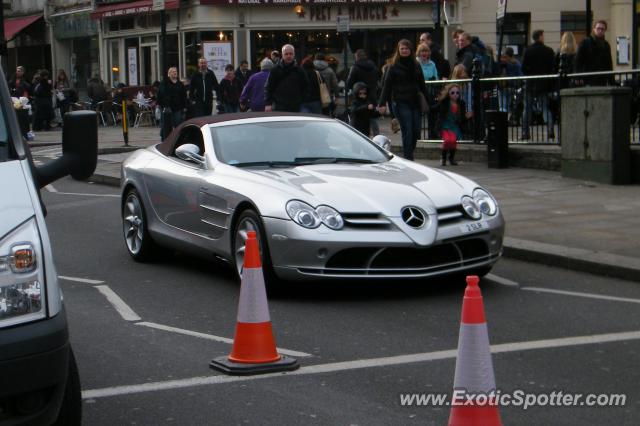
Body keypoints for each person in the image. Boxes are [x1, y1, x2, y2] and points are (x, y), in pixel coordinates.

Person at [377, 39, 430, 161]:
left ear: (411, 50)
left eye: (407, 48)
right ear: (398, 50)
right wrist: (382, 103)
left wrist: (430, 101)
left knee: (416, 131)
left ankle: (408, 153)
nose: (405, 51)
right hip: (400, 102)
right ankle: (409, 158)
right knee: (408, 130)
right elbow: (386, 86)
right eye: (402, 49)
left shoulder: (416, 65)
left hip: (415, 101)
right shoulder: (393, 66)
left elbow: (422, 85)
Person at [521, 29, 556, 140]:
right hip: (544, 82)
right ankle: (550, 129)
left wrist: (529, 73)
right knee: (545, 108)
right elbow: (552, 68)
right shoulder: (549, 51)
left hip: (531, 82)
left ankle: (525, 132)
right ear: (540, 37)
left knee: (527, 109)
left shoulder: (528, 50)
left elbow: (523, 68)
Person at [265, 44, 309, 112]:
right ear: (282, 55)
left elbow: (306, 86)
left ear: (294, 54)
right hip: (279, 106)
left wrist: (302, 100)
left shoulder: (300, 70)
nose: (289, 56)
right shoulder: (275, 70)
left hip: (296, 106)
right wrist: (268, 104)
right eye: (286, 54)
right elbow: (269, 87)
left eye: (291, 54)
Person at [346, 49, 381, 135]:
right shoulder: (373, 67)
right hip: (371, 94)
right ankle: (377, 136)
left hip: (359, 94)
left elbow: (349, 82)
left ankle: (357, 136)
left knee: (357, 115)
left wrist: (352, 89)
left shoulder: (355, 67)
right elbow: (377, 79)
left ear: (356, 57)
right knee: (372, 116)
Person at [435, 83, 469, 166]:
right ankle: (443, 158)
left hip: (454, 126)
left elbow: (462, 118)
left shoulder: (461, 104)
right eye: (452, 93)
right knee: (447, 141)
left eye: (457, 93)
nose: (455, 95)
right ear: (448, 93)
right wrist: (427, 108)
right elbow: (435, 108)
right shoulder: (444, 102)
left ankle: (451, 158)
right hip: (445, 125)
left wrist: (468, 116)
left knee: (453, 142)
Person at [575, 20, 613, 86]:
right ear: (594, 29)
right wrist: (578, 76)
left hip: (601, 79)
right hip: (588, 78)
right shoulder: (585, 42)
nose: (600, 31)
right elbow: (578, 60)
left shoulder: (606, 45)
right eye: (598, 28)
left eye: (602, 29)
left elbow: (609, 63)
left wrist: (611, 80)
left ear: (605, 30)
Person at [157, 67, 187, 139]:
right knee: (166, 125)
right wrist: (160, 105)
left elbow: (184, 96)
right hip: (167, 108)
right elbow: (159, 94)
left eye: (176, 71)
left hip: (178, 108)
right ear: (169, 74)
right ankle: (164, 138)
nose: (175, 73)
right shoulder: (164, 83)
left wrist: (184, 106)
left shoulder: (180, 84)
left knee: (178, 125)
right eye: (173, 72)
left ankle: (177, 139)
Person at [498, 47, 523, 113]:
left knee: (503, 105)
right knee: (508, 105)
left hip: (505, 86)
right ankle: (507, 118)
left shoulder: (505, 63)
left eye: (505, 56)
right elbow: (520, 75)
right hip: (512, 87)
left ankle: (504, 118)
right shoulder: (517, 63)